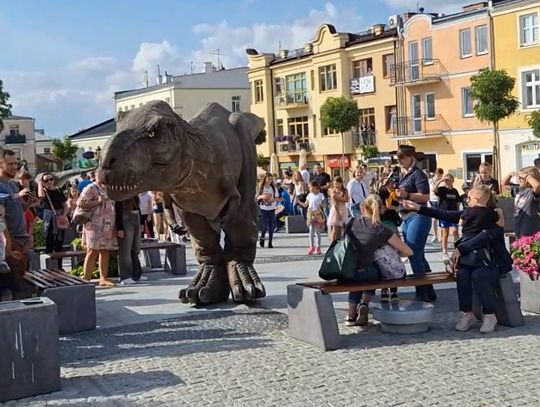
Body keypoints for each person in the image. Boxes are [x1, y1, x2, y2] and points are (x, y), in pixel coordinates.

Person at [402, 184, 509, 333]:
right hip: (469, 260)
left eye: (469, 198)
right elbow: (444, 214)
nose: (467, 200)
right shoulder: (490, 215)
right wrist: (418, 208)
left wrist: (461, 248)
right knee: (463, 275)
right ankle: (467, 313)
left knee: (480, 276)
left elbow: (484, 237)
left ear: (476, 199)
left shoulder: (491, 216)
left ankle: (490, 315)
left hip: (491, 261)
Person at [345, 195, 413, 326]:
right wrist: (391, 252)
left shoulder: (351, 223)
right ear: (381, 209)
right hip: (370, 272)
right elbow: (408, 252)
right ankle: (364, 302)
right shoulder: (381, 229)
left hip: (348, 270)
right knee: (375, 270)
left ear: (362, 208)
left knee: (358, 274)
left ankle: (351, 314)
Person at [391, 145, 435, 302]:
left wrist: (407, 194)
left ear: (411, 157)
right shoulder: (404, 175)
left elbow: (425, 197)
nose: (400, 161)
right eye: (398, 158)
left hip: (418, 216)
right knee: (419, 255)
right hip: (406, 216)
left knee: (413, 254)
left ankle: (421, 292)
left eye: (402, 157)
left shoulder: (418, 174)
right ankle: (429, 289)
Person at [0, 149, 32, 300]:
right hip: (10, 240)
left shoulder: (13, 185)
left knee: (22, 279)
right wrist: (9, 244)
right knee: (15, 285)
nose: (14, 167)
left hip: (21, 238)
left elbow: (20, 209)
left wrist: (28, 203)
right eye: (10, 164)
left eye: (15, 163)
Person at [78, 169, 116, 287]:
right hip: (94, 225)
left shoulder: (108, 188)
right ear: (95, 175)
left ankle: (103, 278)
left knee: (105, 250)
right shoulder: (90, 188)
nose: (103, 176)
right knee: (92, 250)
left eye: (105, 174)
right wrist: (97, 203)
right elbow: (80, 203)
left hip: (108, 225)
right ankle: (86, 279)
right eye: (100, 174)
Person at [501, 166, 540, 238]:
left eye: (521, 178)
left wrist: (526, 176)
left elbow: (537, 185)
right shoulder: (518, 189)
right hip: (519, 226)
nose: (519, 180)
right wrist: (510, 174)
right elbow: (503, 184)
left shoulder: (533, 192)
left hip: (531, 228)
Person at [116, 196, 147, 285]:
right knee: (125, 249)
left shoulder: (133, 190)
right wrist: (120, 227)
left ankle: (137, 273)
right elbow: (117, 209)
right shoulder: (119, 191)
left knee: (136, 247)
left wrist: (141, 222)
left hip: (136, 215)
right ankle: (125, 276)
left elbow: (138, 205)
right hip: (125, 216)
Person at [38, 172, 68, 262]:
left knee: (59, 242)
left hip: (59, 216)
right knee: (49, 240)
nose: (49, 182)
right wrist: (40, 184)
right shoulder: (43, 191)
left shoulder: (58, 190)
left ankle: (59, 266)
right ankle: (50, 267)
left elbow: (65, 205)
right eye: (46, 180)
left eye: (51, 179)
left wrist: (64, 215)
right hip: (49, 217)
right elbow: (41, 196)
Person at [434, 174, 460, 259]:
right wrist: (440, 181)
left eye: (449, 180)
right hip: (444, 213)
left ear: (453, 181)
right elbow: (434, 190)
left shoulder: (455, 191)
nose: (447, 182)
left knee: (455, 231)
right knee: (445, 232)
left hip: (453, 214)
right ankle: (444, 251)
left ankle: (457, 249)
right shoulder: (442, 189)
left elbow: (458, 202)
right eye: (446, 180)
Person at [298, 181, 325, 255]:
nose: (310, 188)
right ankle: (311, 247)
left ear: (315, 187)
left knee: (318, 232)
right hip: (311, 214)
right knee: (311, 231)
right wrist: (299, 202)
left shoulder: (320, 195)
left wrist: (321, 205)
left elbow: (324, 204)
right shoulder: (309, 195)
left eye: (311, 187)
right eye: (309, 187)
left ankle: (318, 247)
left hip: (318, 214)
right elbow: (305, 204)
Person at [256, 173, 281, 248]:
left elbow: (277, 198)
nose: (269, 181)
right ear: (265, 179)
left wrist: (272, 199)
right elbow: (257, 197)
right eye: (268, 179)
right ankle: (262, 237)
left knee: (271, 226)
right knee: (264, 225)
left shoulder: (273, 188)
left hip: (272, 208)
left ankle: (270, 241)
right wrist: (262, 196)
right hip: (263, 208)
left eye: (271, 179)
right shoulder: (261, 187)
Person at [327, 176, 349, 242]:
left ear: (341, 183)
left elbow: (346, 199)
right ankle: (332, 244)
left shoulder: (345, 190)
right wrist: (338, 213)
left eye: (338, 183)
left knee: (343, 228)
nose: (336, 185)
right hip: (336, 210)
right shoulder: (332, 190)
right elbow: (335, 202)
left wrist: (337, 197)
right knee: (335, 228)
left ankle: (342, 243)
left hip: (343, 208)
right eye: (335, 184)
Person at [428, 168, 444, 243]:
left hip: (440, 201)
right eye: (438, 175)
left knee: (441, 218)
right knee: (434, 219)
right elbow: (429, 191)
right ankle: (435, 235)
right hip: (432, 201)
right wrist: (428, 202)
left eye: (441, 176)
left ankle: (441, 236)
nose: (440, 177)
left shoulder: (442, 182)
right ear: (435, 174)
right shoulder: (430, 181)